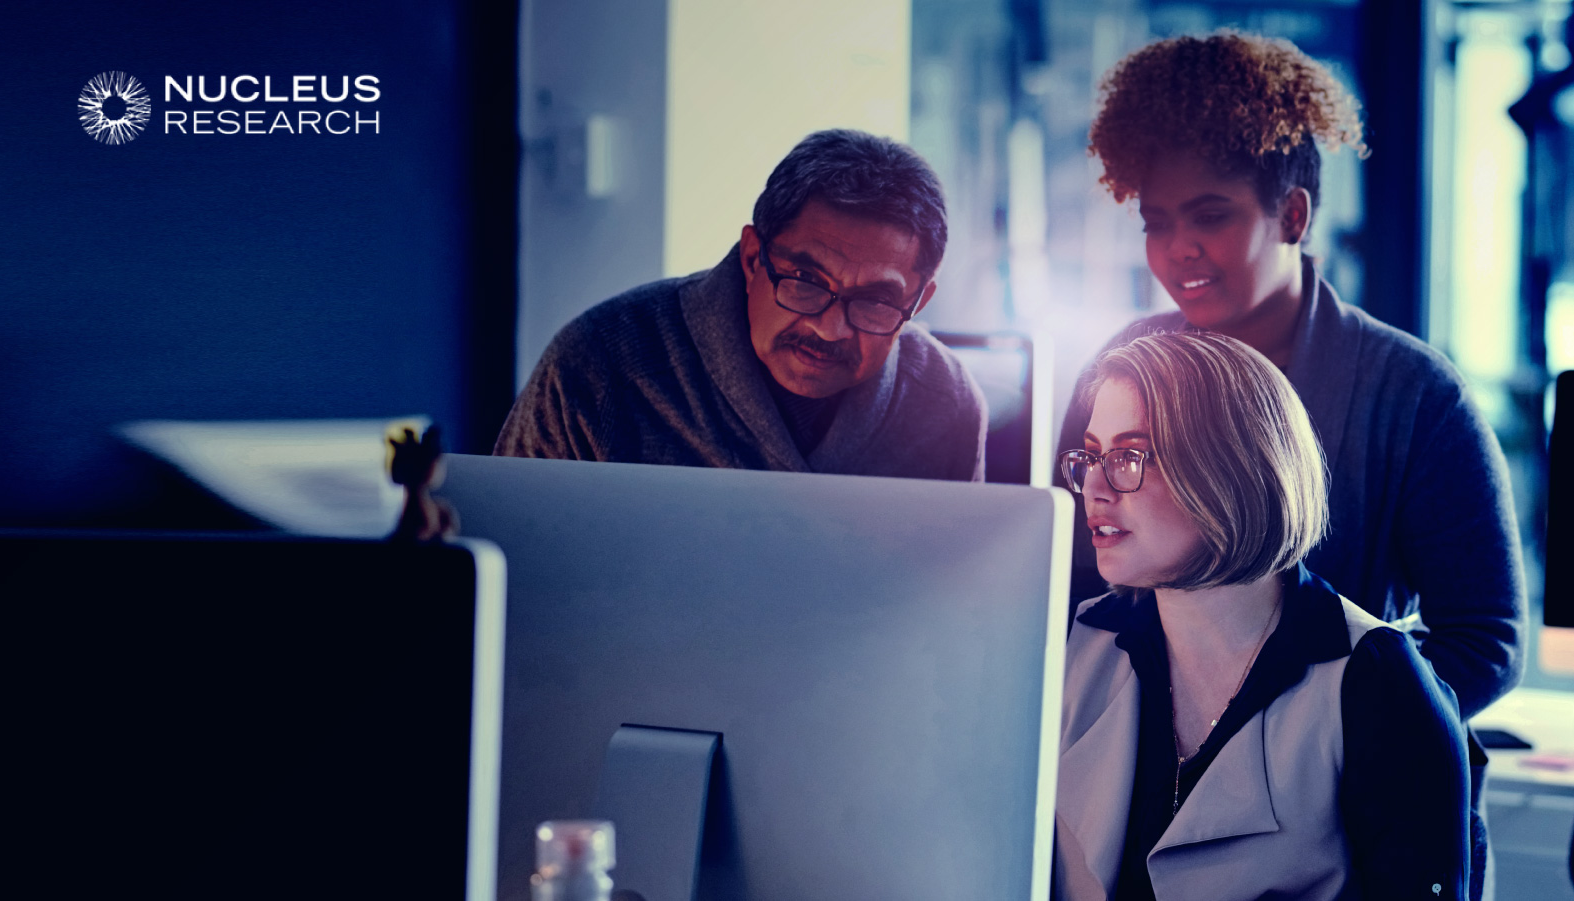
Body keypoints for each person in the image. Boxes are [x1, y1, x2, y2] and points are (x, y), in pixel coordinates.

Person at [1055, 34, 1524, 894]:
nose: (1176, 252)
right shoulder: (1124, 370)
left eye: (1212, 215)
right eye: (1157, 223)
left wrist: (1356, 726)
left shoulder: (1411, 394)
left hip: (1345, 810)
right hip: (1145, 770)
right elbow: (1081, 579)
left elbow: (1485, 634)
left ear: (1295, 217)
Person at [1053, 331, 1469, 900]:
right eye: (1091, 456)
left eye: (1128, 456)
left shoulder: (1378, 683)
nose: (1093, 488)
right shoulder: (1072, 642)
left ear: (1228, 469)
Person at [495, 129, 987, 481]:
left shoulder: (947, 403)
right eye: (805, 280)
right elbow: (509, 575)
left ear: (919, 301)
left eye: (876, 301)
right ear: (753, 257)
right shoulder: (599, 366)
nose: (830, 328)